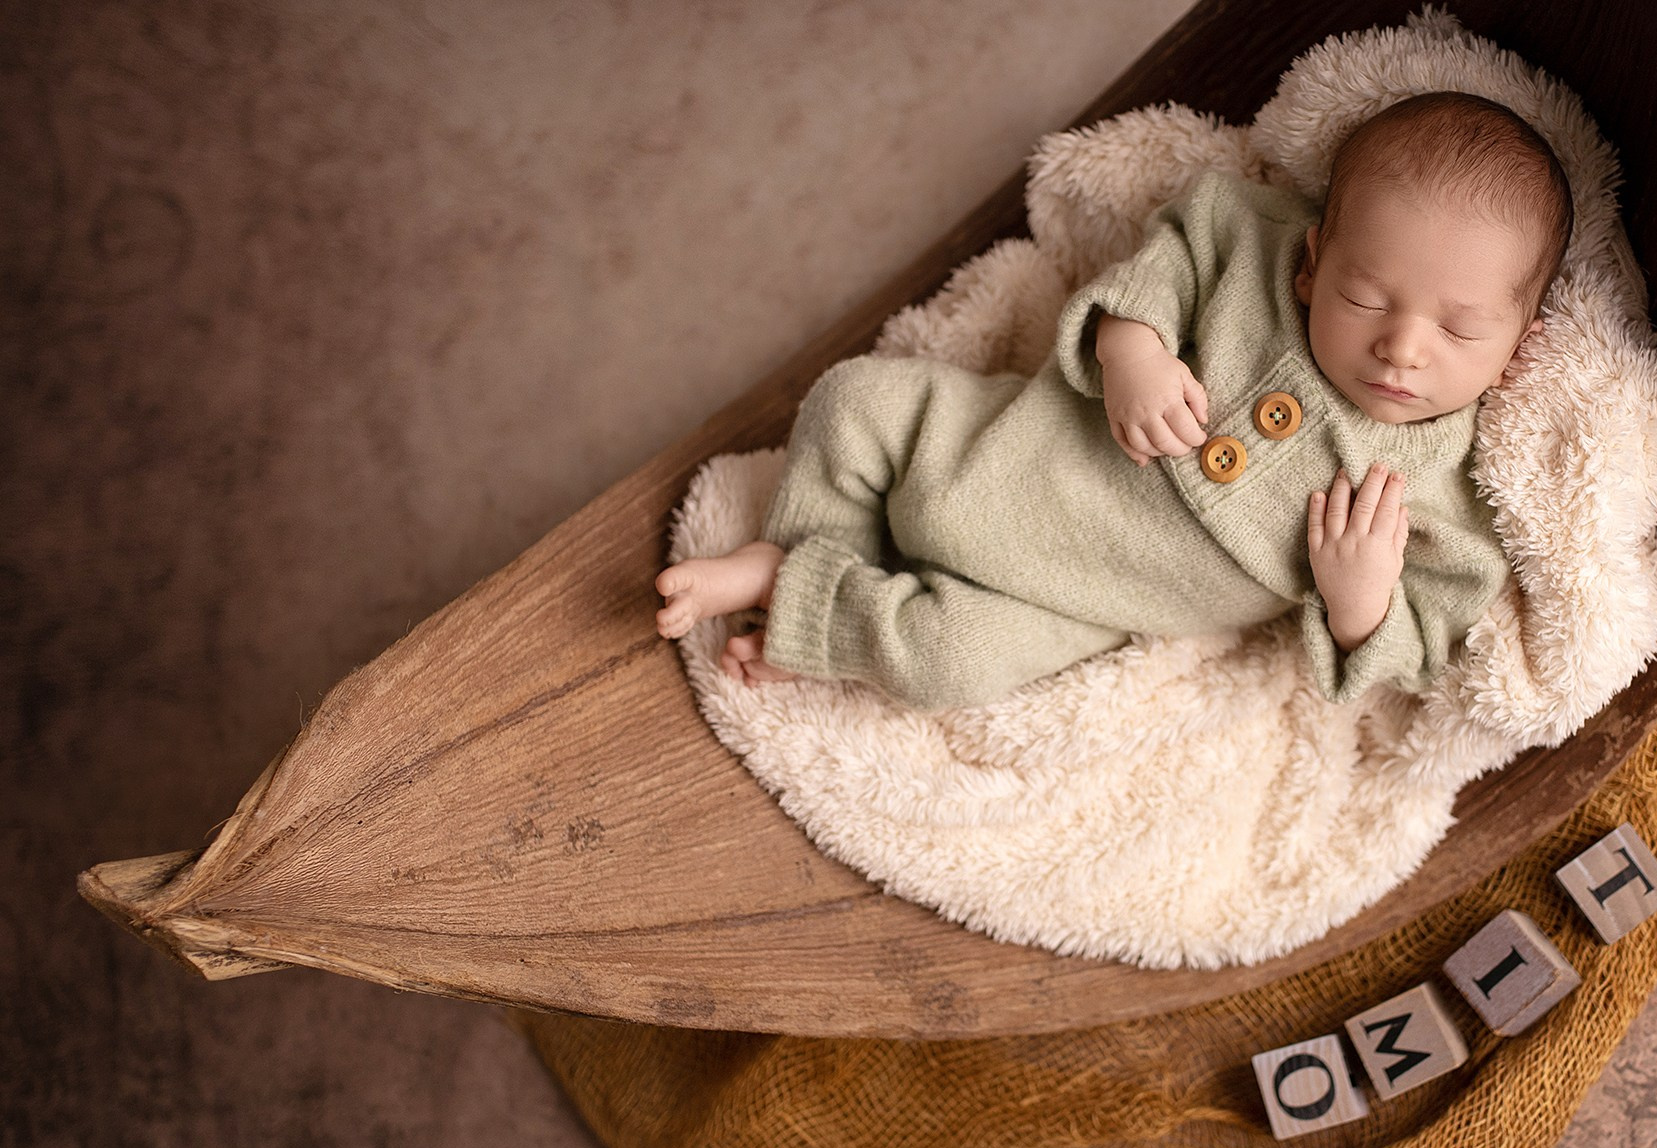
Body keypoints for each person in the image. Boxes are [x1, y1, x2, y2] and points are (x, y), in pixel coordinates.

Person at [655, 90, 1571, 710]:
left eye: (1458, 331)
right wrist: (1130, 344)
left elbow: (1415, 644)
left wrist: (1358, 599)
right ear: (1313, 261)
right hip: (1008, 442)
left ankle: (806, 603)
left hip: (1078, 596)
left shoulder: (1446, 496)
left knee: (950, 661)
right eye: (1365, 297)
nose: (1401, 346)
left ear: (1519, 345)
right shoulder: (1251, 246)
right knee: (853, 399)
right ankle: (810, 543)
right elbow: (1171, 261)